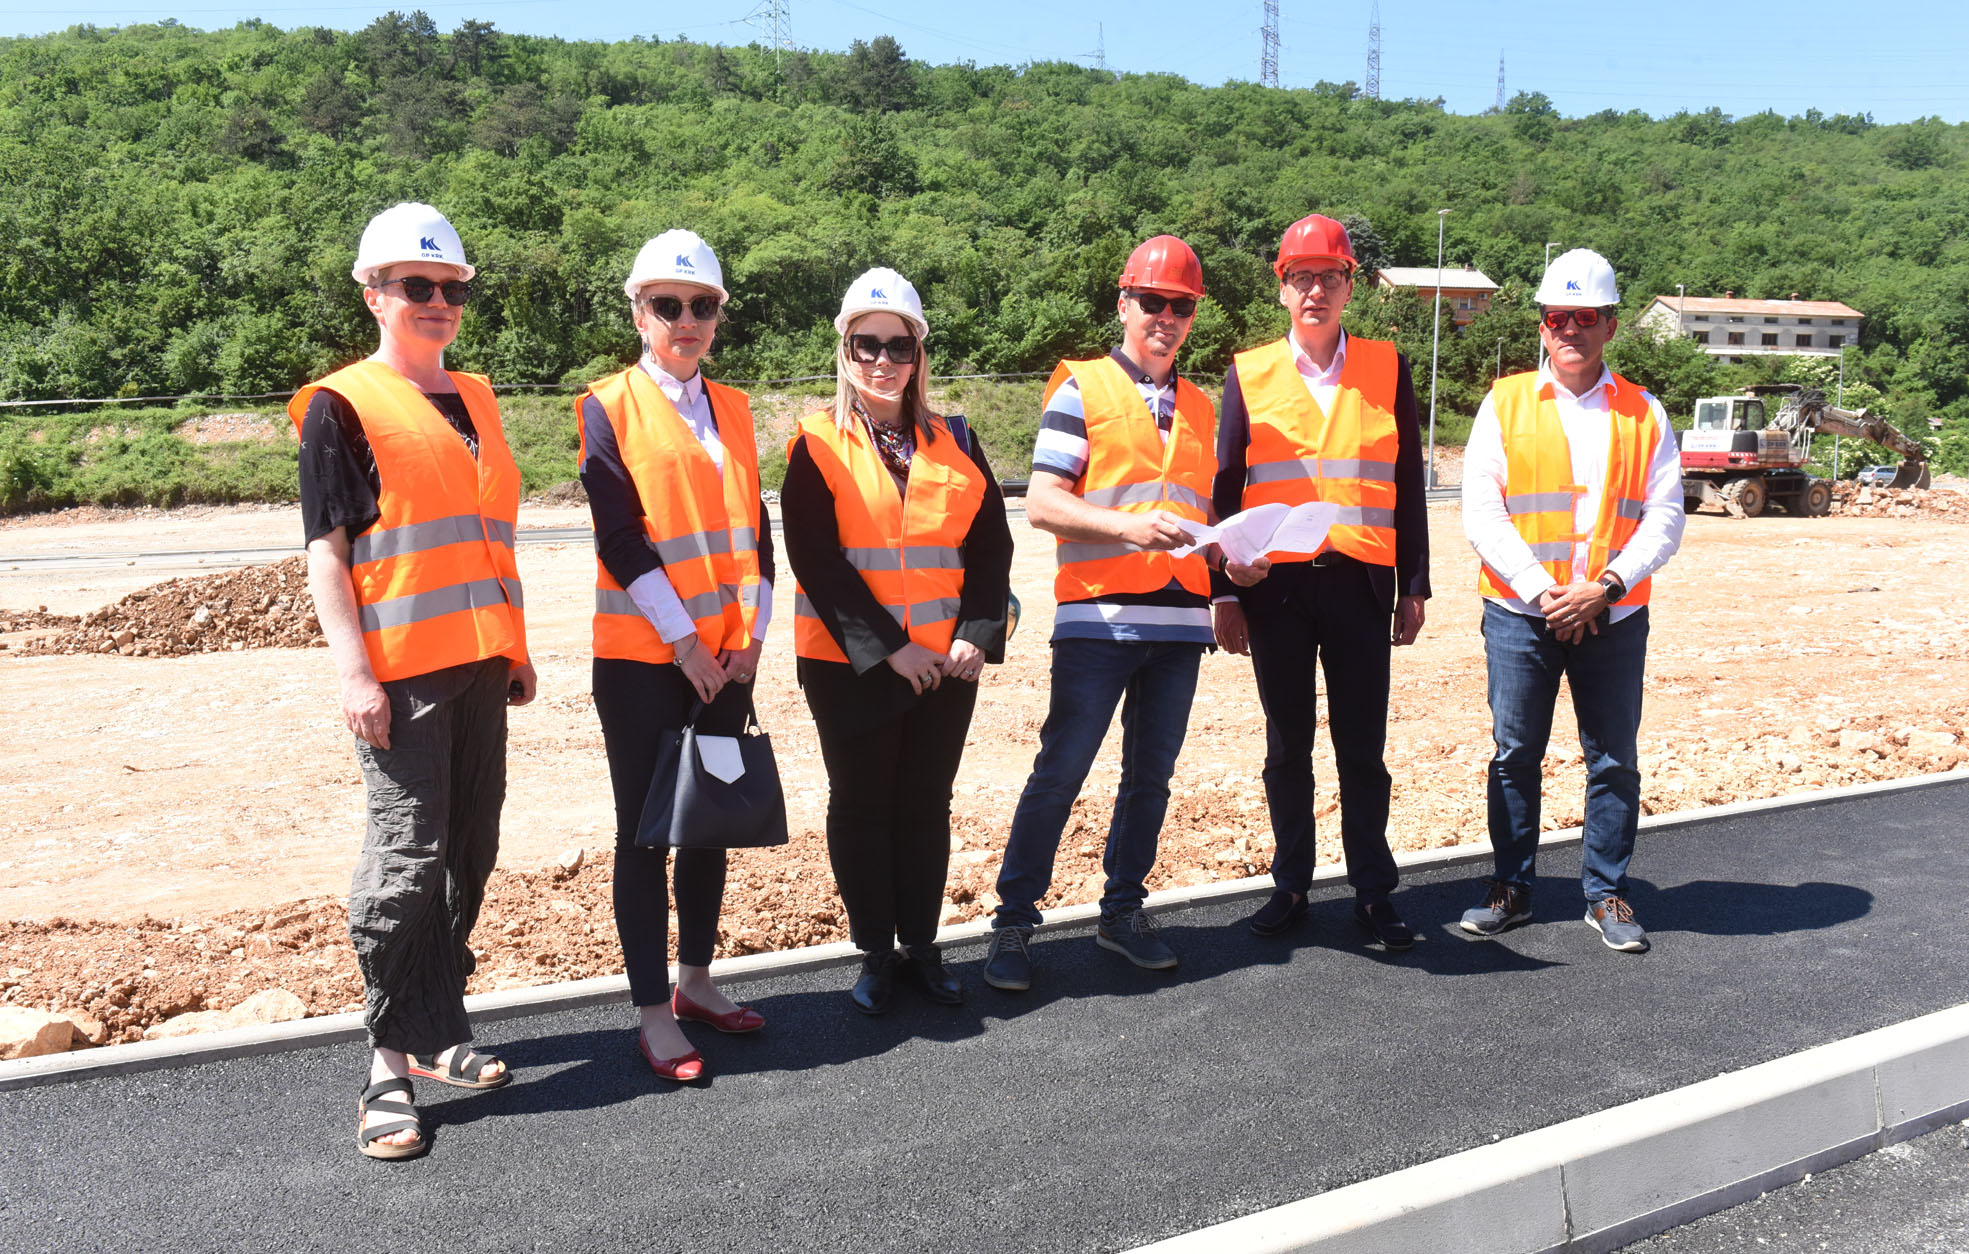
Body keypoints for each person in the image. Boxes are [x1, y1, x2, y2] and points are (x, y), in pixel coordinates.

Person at [293, 202, 535, 1160]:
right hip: (399, 676)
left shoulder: (473, 397)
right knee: (404, 861)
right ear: (373, 295)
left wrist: (514, 647)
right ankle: (388, 1064)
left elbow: (488, 536)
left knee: (470, 848)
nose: (436, 302)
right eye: (415, 286)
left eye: (449, 287)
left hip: (481, 664)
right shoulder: (340, 404)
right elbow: (327, 550)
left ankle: (441, 1025)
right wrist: (354, 673)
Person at [983, 235, 1244, 992]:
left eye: (1181, 305)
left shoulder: (1201, 405)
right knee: (1060, 771)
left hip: (1179, 626)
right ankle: (1012, 924)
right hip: (1097, 621)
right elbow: (1042, 504)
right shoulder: (1082, 389)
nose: (1166, 315)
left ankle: (1121, 912)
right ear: (1124, 305)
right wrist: (1128, 526)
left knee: (1150, 778)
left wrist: (1234, 560)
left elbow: (1207, 519)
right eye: (1152, 301)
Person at [783, 269, 1013, 1014]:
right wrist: (892, 648)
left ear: (918, 354)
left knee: (924, 803)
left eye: (896, 346)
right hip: (850, 664)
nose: (881, 361)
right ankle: (873, 953)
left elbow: (990, 550)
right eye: (864, 345)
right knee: (860, 804)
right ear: (844, 350)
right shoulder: (815, 442)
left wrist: (977, 634)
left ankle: (921, 946)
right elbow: (816, 560)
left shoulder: (958, 440)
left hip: (946, 663)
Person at [578, 230, 773, 1080]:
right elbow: (620, 538)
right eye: (667, 305)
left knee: (710, 826)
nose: (685, 320)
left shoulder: (731, 407)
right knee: (646, 836)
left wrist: (752, 639)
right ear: (638, 312)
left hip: (727, 661)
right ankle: (654, 1012)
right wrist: (686, 642)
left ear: (718, 315)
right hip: (641, 661)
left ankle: (697, 980)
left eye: (701, 305)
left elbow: (753, 534)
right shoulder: (606, 403)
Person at [1210, 214, 1432, 948]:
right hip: (1274, 590)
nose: (1314, 290)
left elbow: (1405, 481)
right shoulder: (1247, 372)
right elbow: (1223, 489)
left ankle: (1373, 891)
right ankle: (1292, 885)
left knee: (1362, 748)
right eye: (1300, 277)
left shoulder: (1386, 366)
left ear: (1348, 287)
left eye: (1328, 277)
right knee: (1287, 746)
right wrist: (1224, 591)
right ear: (1281, 290)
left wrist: (1414, 584)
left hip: (1361, 585)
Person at [1458, 247, 1686, 953]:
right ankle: (1511, 888)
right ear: (1541, 324)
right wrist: (1542, 589)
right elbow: (1480, 510)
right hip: (1521, 615)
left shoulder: (1643, 412)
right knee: (1513, 755)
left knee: (1612, 758)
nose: (1570, 329)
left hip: (1612, 616)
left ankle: (1605, 894)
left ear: (1610, 325)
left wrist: (1604, 587)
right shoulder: (1502, 404)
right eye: (1558, 316)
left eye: (1585, 317)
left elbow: (1665, 514)